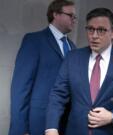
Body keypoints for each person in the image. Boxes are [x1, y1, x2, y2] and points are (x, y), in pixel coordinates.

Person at [45, 7, 113, 135]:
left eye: (101, 30)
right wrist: (51, 128)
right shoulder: (73, 58)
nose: (94, 35)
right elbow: (58, 95)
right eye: (90, 29)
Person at [9, 0, 76, 135]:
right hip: (37, 122)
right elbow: (20, 88)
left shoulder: (73, 47)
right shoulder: (34, 41)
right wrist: (21, 129)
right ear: (56, 14)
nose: (74, 20)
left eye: (75, 17)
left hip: (64, 124)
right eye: (71, 15)